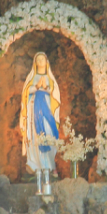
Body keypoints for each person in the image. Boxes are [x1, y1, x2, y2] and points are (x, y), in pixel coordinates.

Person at [19, 52, 61, 189]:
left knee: (49, 133)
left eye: (43, 59)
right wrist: (37, 87)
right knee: (36, 137)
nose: (41, 61)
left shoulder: (50, 78)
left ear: (47, 61)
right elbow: (26, 93)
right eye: (38, 59)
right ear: (35, 63)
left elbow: (55, 95)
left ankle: (49, 166)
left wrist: (47, 88)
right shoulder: (31, 78)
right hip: (34, 111)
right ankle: (36, 166)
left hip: (47, 109)